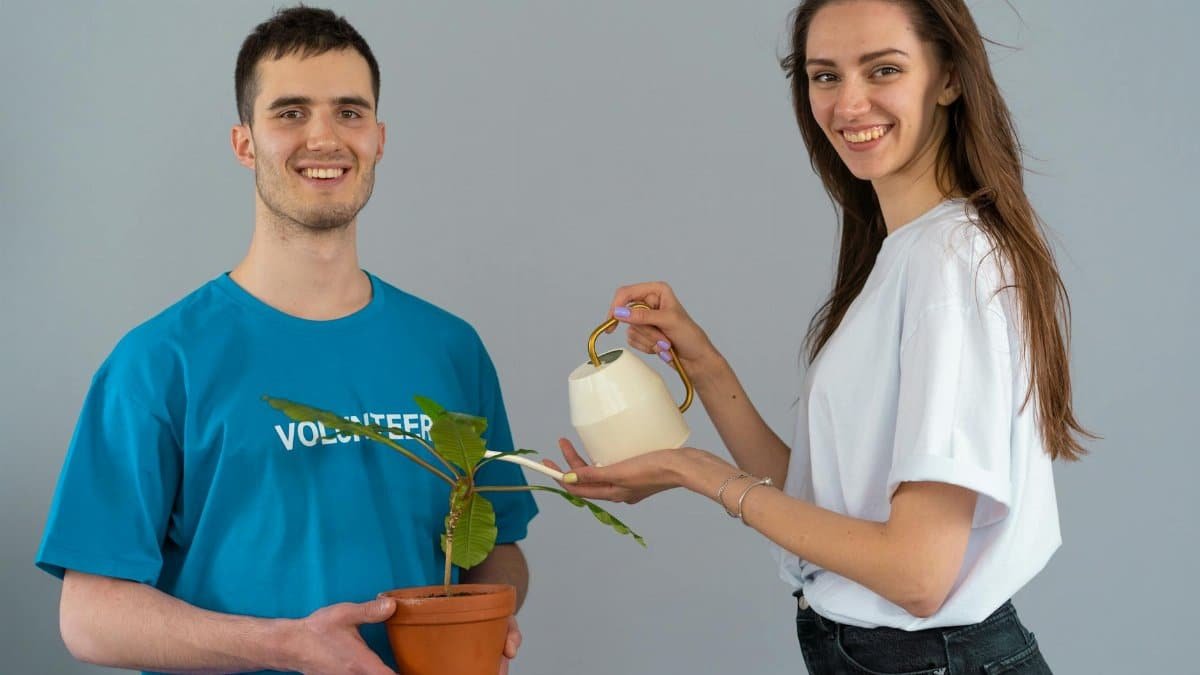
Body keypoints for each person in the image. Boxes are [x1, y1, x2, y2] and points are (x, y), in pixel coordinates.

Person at [548, 0, 1089, 672]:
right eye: (824, 76)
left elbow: (917, 573)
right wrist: (706, 365)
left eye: (883, 69)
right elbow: (822, 508)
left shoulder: (948, 263)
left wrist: (692, 470)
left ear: (949, 76)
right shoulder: (908, 253)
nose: (849, 104)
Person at [35, 7, 537, 675]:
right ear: (245, 142)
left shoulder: (450, 347)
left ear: (380, 138)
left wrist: (483, 623)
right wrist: (283, 645)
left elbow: (496, 551)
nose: (324, 137)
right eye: (291, 112)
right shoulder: (158, 361)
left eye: (350, 112)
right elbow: (89, 615)